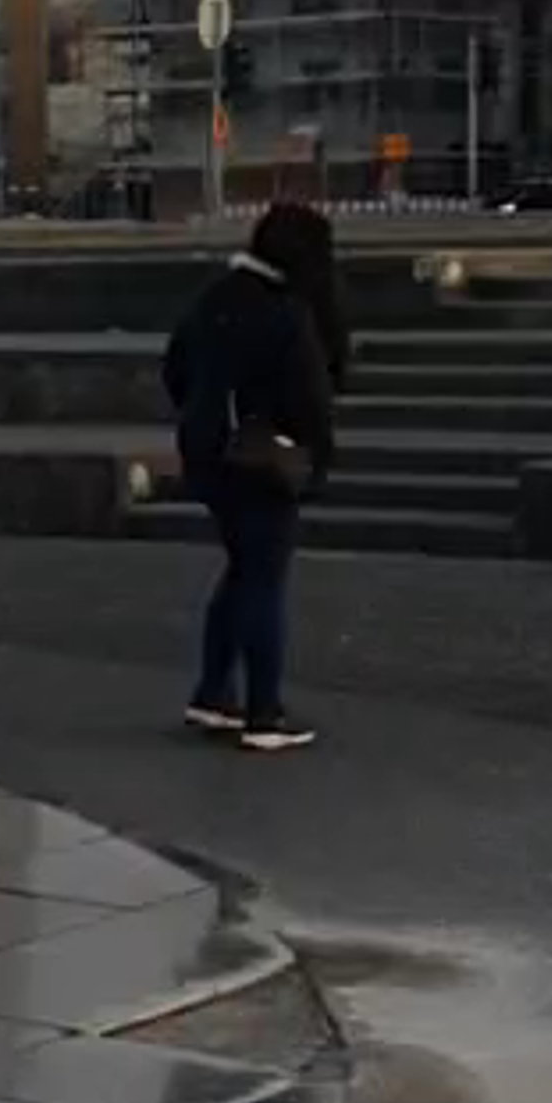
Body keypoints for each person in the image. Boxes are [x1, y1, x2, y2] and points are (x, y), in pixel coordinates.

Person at [163, 192, 345, 749]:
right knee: (264, 579)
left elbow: (175, 369)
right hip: (263, 461)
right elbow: (312, 396)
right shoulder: (285, 312)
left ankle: (213, 693)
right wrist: (314, 455)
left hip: (209, 455)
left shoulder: (212, 298)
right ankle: (264, 712)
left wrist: (205, 420)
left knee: (242, 569)